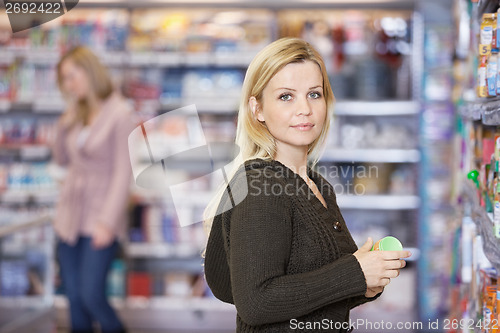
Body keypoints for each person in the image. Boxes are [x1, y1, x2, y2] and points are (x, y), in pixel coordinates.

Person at [203, 37, 411, 332]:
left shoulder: (317, 185)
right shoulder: (261, 185)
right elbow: (256, 302)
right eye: (286, 96)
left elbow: (316, 287)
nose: (305, 109)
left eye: (314, 94)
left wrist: (366, 280)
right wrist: (354, 272)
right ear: (257, 109)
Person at [51, 46, 136, 333]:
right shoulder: (78, 112)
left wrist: (107, 223)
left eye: (71, 77)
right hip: (70, 216)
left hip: (101, 216)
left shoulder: (120, 113)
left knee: (91, 295)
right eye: (64, 80)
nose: (68, 85)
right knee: (73, 298)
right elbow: (61, 160)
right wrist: (63, 125)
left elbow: (123, 173)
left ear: (89, 71)